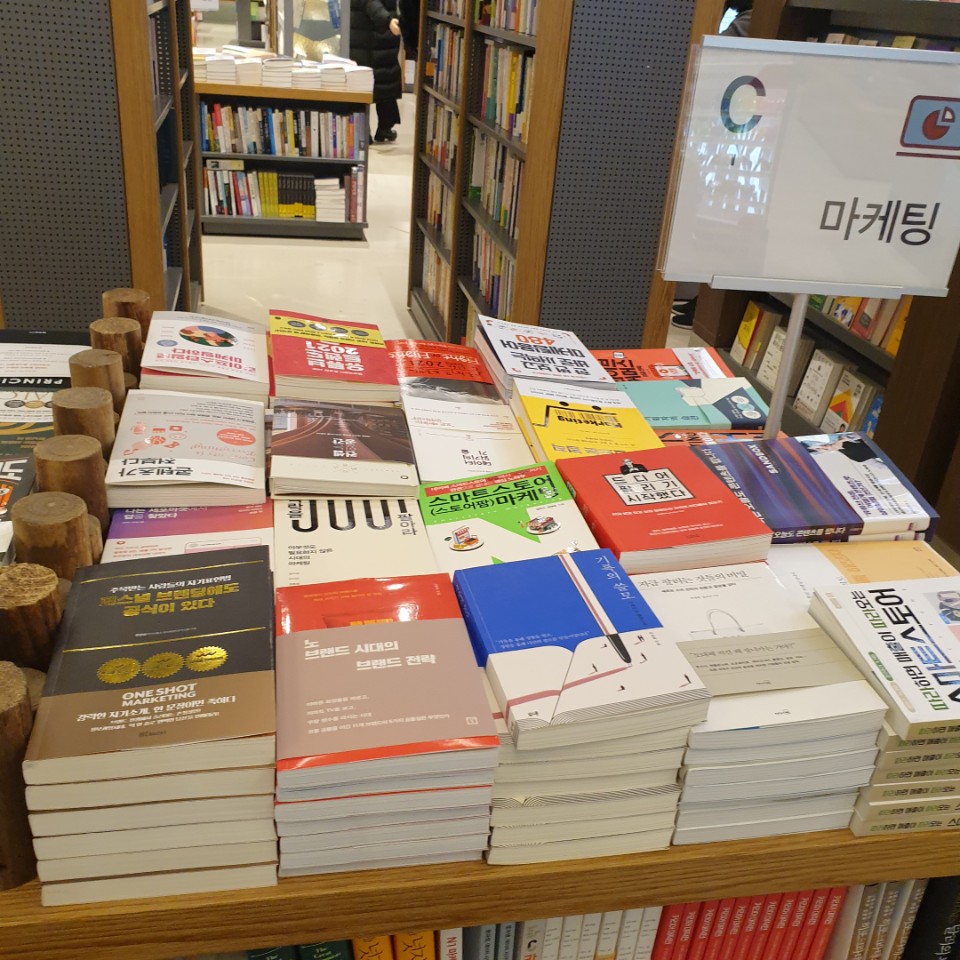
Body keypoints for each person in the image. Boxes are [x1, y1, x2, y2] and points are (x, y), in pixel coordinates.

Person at [350, 0, 403, 143]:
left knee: (384, 80)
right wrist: (387, 20)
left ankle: (383, 127)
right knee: (365, 83)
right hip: (367, 33)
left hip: (381, 31)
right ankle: (364, 130)